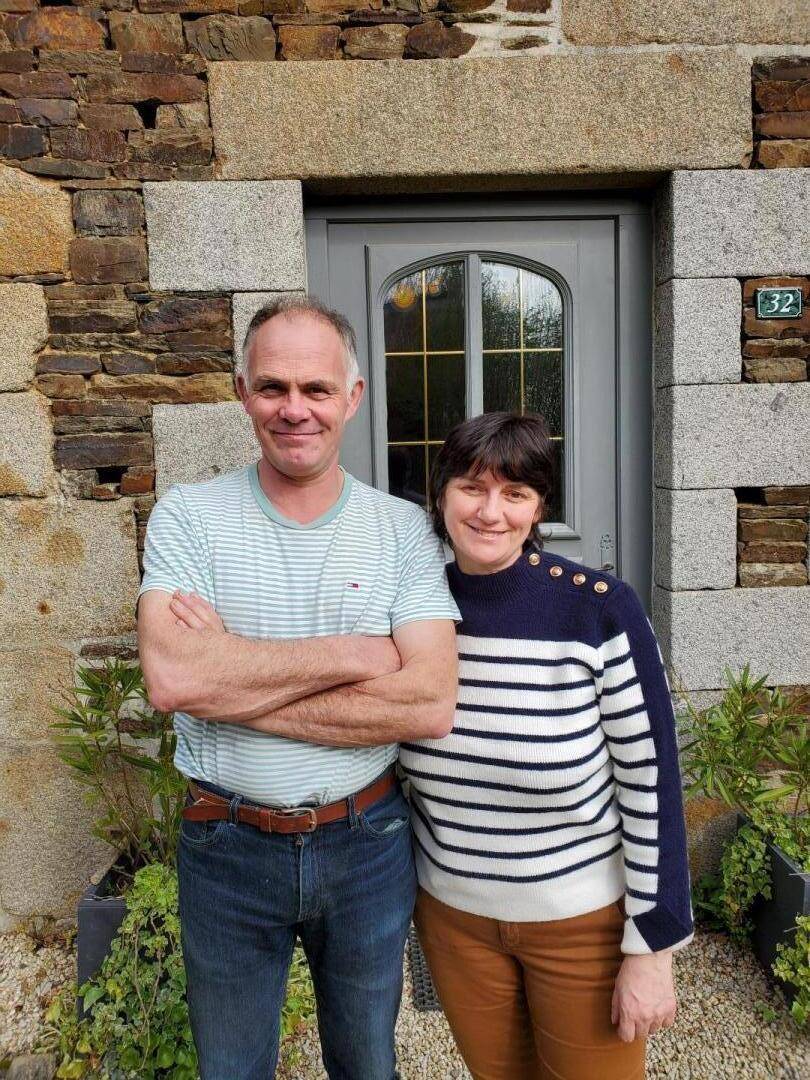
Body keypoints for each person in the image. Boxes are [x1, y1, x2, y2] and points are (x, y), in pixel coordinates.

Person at [137, 295, 460, 1080]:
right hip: (225, 845)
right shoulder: (188, 517)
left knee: (366, 1063)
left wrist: (230, 670)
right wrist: (356, 652)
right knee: (231, 1067)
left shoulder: (401, 530)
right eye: (273, 387)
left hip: (367, 843)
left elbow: (428, 703)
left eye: (316, 389)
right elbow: (173, 678)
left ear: (352, 396)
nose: (294, 409)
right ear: (242, 392)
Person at [398, 411, 693, 1080]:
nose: (490, 512)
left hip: (582, 928)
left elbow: (652, 783)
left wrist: (652, 947)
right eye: (472, 488)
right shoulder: (411, 608)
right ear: (441, 495)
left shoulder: (598, 610)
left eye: (516, 493)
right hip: (456, 926)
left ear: (539, 508)